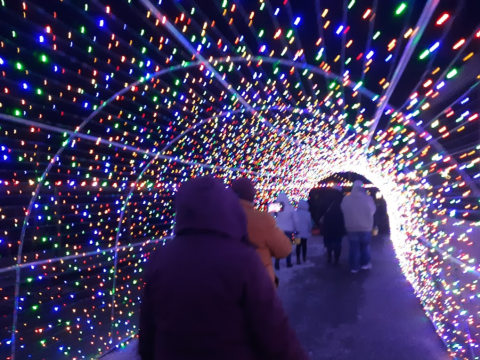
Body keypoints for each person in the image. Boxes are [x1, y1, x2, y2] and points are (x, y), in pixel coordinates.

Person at [138, 177, 309, 360]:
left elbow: (148, 330)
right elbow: (272, 330)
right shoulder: (243, 259)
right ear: (227, 208)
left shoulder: (160, 257)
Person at [231, 178, 292, 286]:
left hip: (228, 281)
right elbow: (284, 250)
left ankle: (279, 264)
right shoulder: (261, 218)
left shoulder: (219, 217)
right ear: (251, 195)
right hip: (258, 282)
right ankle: (288, 263)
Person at [340, 180, 376, 273]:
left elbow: (343, 209)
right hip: (366, 226)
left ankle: (354, 267)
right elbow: (373, 211)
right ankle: (365, 264)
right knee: (365, 246)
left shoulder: (346, 199)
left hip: (351, 227)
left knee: (353, 247)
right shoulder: (368, 199)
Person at [321, 185, 346, 266]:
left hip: (327, 223)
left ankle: (329, 255)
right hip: (339, 223)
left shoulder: (325, 197)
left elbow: (320, 210)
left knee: (329, 240)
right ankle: (336, 258)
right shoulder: (342, 198)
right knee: (338, 241)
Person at [273, 192, 295, 270]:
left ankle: (277, 263)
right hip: (289, 229)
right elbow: (295, 219)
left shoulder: (275, 207)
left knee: (278, 246)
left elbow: (270, 218)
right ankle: (288, 262)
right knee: (288, 246)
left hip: (278, 230)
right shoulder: (290, 207)